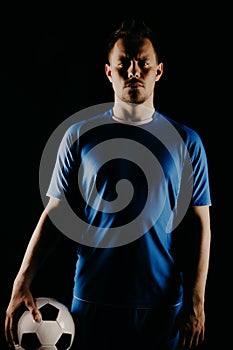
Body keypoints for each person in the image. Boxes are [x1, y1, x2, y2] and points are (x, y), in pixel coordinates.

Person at [5, 18, 211, 350]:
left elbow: (201, 226)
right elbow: (55, 215)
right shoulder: (79, 136)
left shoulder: (187, 142)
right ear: (108, 72)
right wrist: (21, 281)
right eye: (123, 64)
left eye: (143, 64)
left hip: (162, 309)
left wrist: (197, 302)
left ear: (158, 71)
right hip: (93, 303)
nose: (133, 71)